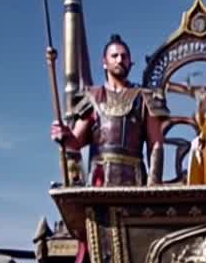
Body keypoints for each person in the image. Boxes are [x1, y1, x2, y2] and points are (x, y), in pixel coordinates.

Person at [50, 34, 165, 187]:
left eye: (124, 56)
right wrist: (63, 135)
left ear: (130, 62)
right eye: (114, 56)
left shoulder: (144, 98)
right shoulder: (93, 97)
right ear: (105, 62)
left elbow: (155, 144)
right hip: (99, 183)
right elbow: (75, 142)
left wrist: (153, 187)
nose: (119, 60)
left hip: (135, 185)